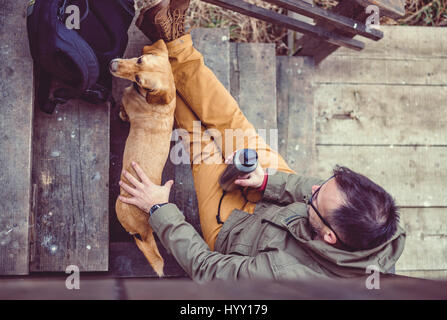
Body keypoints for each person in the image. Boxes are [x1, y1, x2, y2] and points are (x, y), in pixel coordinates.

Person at [118, 0, 406, 281]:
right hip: (271, 194)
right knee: (230, 120)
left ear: (330, 237)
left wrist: (159, 210)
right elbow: (313, 191)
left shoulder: (287, 279)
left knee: (199, 141)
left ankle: (160, 64)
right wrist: (267, 181)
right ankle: (174, 40)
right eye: (323, 184)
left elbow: (207, 269)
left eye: (317, 196)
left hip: (232, 228)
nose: (312, 188)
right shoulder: (374, 217)